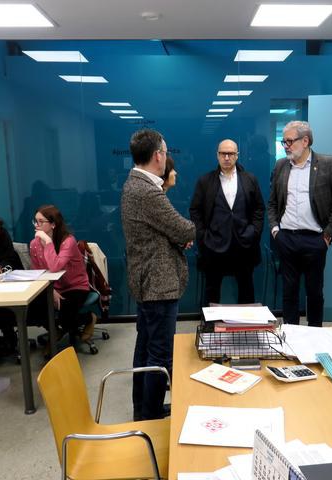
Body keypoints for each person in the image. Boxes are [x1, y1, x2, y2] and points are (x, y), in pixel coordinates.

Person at [121, 128, 195, 421]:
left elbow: (159, 230)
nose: (166, 157)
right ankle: (149, 416)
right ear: (158, 156)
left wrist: (177, 236)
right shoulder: (147, 191)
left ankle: (143, 409)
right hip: (158, 284)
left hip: (148, 280)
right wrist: (191, 231)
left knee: (145, 349)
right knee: (159, 353)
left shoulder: (135, 184)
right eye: (165, 152)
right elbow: (182, 229)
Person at [267, 120, 332, 326]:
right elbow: (272, 202)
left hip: (315, 240)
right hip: (286, 238)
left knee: (314, 292)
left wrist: (327, 236)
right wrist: (276, 230)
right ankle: (291, 334)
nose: (286, 146)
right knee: (289, 292)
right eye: (284, 141)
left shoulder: (329, 164)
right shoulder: (280, 165)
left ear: (305, 141)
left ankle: (315, 334)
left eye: (290, 141)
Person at [190, 139, 265, 305]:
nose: (226, 157)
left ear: (237, 155)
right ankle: (211, 322)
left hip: (244, 246)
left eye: (230, 154)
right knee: (211, 293)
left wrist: (254, 232)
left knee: (246, 291)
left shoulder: (250, 179)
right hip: (214, 247)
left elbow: (259, 209)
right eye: (223, 153)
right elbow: (195, 210)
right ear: (217, 155)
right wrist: (202, 236)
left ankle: (245, 322)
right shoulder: (205, 181)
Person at [29, 205, 91, 337]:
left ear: (53, 224)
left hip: (75, 286)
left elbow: (55, 267)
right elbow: (37, 272)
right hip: (52, 287)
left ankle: (88, 318)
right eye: (35, 221)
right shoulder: (34, 244)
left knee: (65, 316)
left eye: (41, 221)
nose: (37, 225)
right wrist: (51, 290)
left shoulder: (68, 241)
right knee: (33, 309)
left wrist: (48, 241)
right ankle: (56, 331)